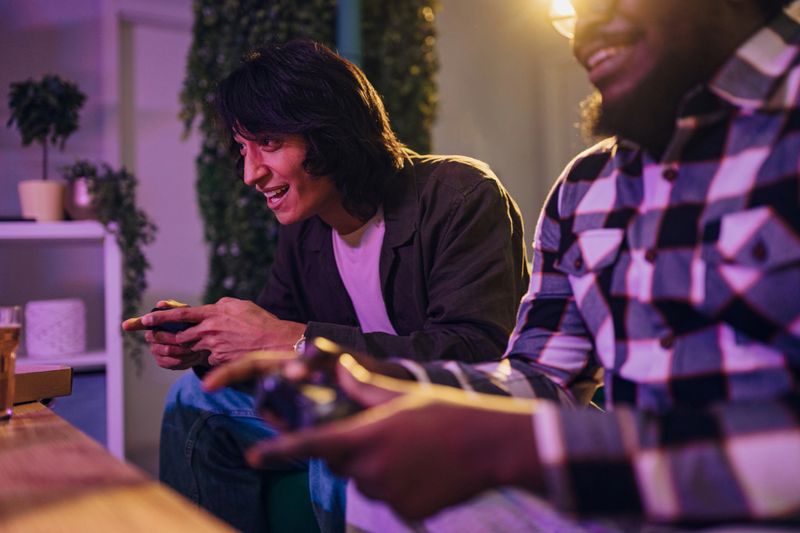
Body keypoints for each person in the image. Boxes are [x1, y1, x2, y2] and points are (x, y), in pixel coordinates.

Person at [205, 1, 800, 530]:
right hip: (628, 499)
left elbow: (490, 364)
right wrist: (382, 384)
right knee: (368, 491)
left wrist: (525, 446)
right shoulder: (588, 184)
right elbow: (543, 379)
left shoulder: (456, 193)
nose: (585, 25)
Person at [123, 40, 529, 533]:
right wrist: (208, 344)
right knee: (196, 398)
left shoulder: (459, 195)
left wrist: (290, 340)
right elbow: (274, 338)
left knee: (333, 418)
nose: (251, 173)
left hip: (449, 414)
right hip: (359, 403)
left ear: (330, 131)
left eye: (269, 143)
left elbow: (475, 352)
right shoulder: (306, 228)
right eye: (243, 149)